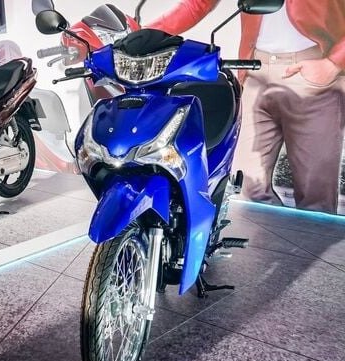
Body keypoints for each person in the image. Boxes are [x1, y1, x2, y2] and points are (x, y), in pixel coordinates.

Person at [147, 1, 345, 214]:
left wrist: (333, 63)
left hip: (312, 71)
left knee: (316, 198)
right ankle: (266, 235)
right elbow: (198, 4)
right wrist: (144, 35)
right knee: (244, 189)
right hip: (255, 70)